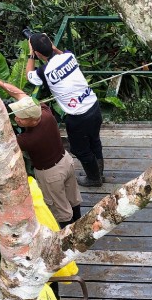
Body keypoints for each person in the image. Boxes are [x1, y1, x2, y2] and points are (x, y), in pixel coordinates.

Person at [0, 80, 82, 227]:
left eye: (20, 117)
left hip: (51, 174)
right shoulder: (45, 112)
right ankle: (79, 224)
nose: (16, 118)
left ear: (31, 121)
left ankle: (70, 240)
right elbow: (20, 94)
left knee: (61, 210)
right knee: (73, 199)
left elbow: (2, 143)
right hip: (66, 161)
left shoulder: (29, 139)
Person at [26, 32, 104, 188]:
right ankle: (99, 171)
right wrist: (53, 48)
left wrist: (31, 55)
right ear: (51, 45)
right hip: (94, 107)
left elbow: (29, 75)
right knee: (94, 139)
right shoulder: (69, 56)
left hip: (78, 117)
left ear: (38, 53)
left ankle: (94, 178)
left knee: (80, 149)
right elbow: (63, 54)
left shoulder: (44, 72)